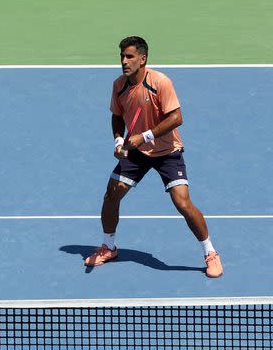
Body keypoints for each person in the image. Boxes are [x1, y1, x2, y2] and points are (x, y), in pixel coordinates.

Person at [84, 36, 223, 278]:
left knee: (182, 203)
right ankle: (109, 246)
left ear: (142, 58)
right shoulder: (119, 85)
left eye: (129, 56)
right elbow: (117, 116)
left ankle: (210, 253)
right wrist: (119, 141)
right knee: (111, 194)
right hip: (136, 153)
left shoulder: (160, 82)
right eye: (122, 57)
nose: (124, 61)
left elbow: (176, 118)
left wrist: (145, 136)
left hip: (167, 152)